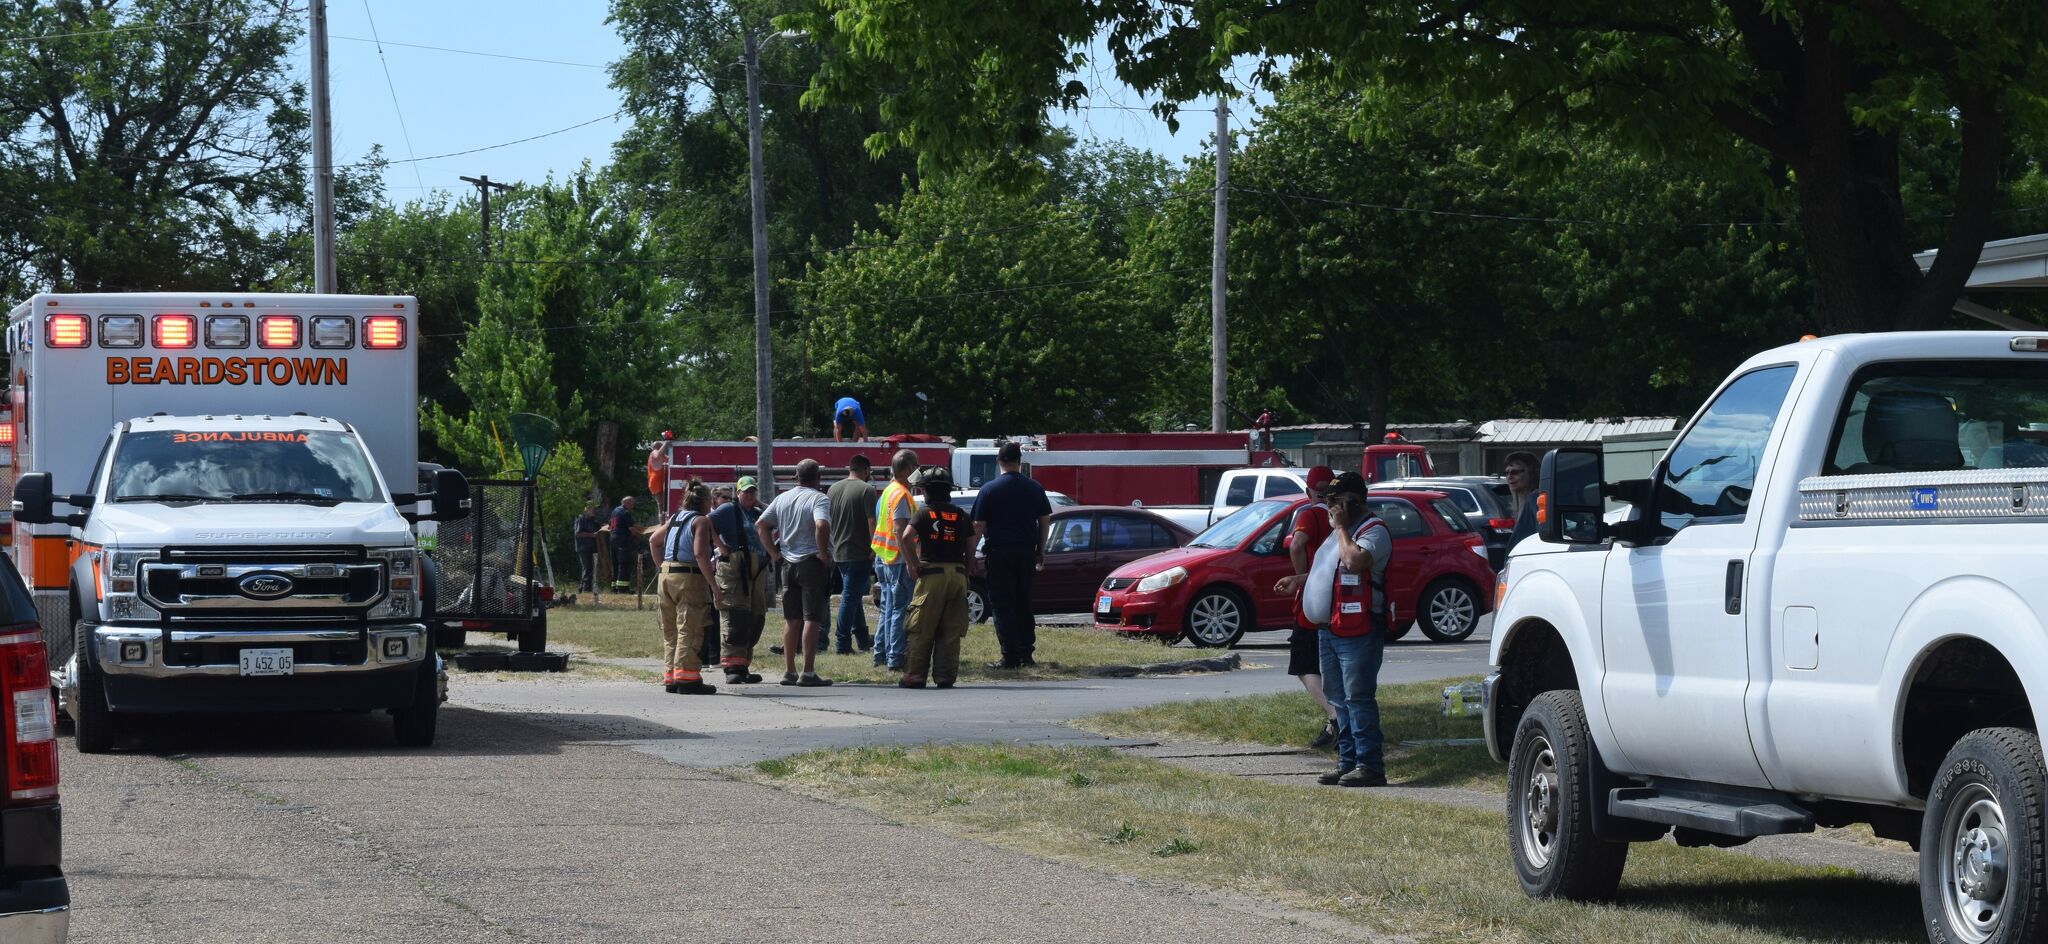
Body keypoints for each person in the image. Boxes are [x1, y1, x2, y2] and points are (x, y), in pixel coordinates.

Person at [1279, 472, 1391, 788]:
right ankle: (1348, 763)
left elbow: (1354, 562)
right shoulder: (1337, 532)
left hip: (1359, 630)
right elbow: (1327, 570)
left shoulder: (1373, 531)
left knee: (1358, 698)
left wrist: (1341, 527)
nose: (1330, 508)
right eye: (1328, 502)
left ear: (1354, 502)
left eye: (1336, 502)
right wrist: (1298, 581)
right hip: (1329, 629)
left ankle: (1370, 766)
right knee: (1338, 699)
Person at [971, 441, 1051, 669]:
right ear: (1019, 462)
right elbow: (1045, 519)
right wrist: (1040, 549)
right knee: (1023, 602)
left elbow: (978, 525)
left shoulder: (989, 489)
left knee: (1002, 604)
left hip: (999, 553)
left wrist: (969, 556)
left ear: (998, 461)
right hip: (1026, 553)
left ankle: (1010, 655)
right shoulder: (1035, 488)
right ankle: (1026, 653)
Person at [756, 458, 835, 687]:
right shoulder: (819, 498)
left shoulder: (782, 498)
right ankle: (808, 672)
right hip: (811, 562)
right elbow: (822, 525)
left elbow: (761, 525)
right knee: (812, 617)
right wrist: (822, 552)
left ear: (796, 478)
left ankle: (789, 670)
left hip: (787, 563)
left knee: (792, 618)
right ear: (818, 478)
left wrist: (773, 553)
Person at [1281, 466, 1341, 749]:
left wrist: (1300, 575)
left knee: (1304, 663)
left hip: (1312, 600)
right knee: (1332, 662)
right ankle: (1333, 724)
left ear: (1308, 492)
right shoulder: (1341, 518)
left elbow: (1297, 544)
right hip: (1339, 598)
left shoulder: (1309, 514)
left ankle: (1335, 714)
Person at [898, 466, 970, 689]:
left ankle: (915, 676)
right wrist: (965, 567)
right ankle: (945, 676)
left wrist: (914, 563)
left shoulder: (923, 513)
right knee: (951, 630)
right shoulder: (960, 514)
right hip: (957, 575)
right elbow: (971, 543)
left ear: (926, 491)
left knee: (922, 628)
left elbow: (907, 536)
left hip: (933, 577)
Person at [646, 480, 721, 695]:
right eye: (710, 500)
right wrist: (713, 586)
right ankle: (687, 678)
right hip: (689, 578)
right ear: (705, 501)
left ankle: (671, 676)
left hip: (666, 576)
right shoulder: (701, 521)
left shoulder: (675, 518)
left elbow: (653, 541)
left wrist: (663, 568)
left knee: (671, 631)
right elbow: (700, 554)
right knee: (691, 627)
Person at [710, 477, 771, 684]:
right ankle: (731, 668)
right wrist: (720, 545)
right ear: (738, 493)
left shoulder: (757, 513)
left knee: (755, 618)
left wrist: (760, 504)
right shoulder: (728, 510)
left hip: (756, 571)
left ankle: (743, 665)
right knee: (736, 618)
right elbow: (706, 523)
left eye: (752, 492)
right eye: (745, 492)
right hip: (735, 570)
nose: (749, 495)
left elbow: (776, 516)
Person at [869, 449, 919, 671]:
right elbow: (900, 531)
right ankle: (895, 658)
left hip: (885, 557)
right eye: (916, 467)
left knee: (888, 609)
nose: (918, 471)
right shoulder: (901, 495)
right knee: (899, 609)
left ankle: (880, 653)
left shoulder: (888, 491)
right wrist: (910, 562)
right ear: (908, 469)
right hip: (897, 560)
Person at [827, 455, 877, 655]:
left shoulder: (833, 489)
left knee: (853, 596)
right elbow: (871, 522)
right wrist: (875, 548)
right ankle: (842, 643)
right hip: (859, 552)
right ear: (865, 469)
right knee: (849, 598)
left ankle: (863, 638)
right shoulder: (867, 490)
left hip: (839, 552)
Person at [1504, 450, 1541, 545]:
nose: (1509, 477)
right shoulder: (1522, 501)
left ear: (1532, 473)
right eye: (1507, 473)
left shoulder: (1536, 499)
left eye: (1515, 472)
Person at [607, 496, 640, 592]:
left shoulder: (615, 511)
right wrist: (640, 535)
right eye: (631, 504)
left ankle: (614, 587)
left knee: (615, 564)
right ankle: (623, 588)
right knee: (624, 564)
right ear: (626, 503)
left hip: (613, 540)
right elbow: (631, 529)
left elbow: (611, 526)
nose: (632, 506)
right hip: (622, 540)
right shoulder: (626, 513)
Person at [572, 502, 601, 593]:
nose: (594, 511)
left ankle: (585, 586)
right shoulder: (580, 519)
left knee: (591, 568)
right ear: (586, 509)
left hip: (592, 548)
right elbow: (578, 533)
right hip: (583, 547)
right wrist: (592, 535)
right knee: (586, 567)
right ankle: (585, 587)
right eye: (592, 509)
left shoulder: (593, 520)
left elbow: (599, 529)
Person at [647, 431, 674, 513]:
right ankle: (662, 523)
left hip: (657, 481)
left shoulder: (660, 455)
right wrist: (666, 443)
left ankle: (662, 522)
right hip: (655, 481)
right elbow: (657, 455)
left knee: (662, 504)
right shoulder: (654, 452)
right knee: (661, 504)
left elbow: (671, 459)